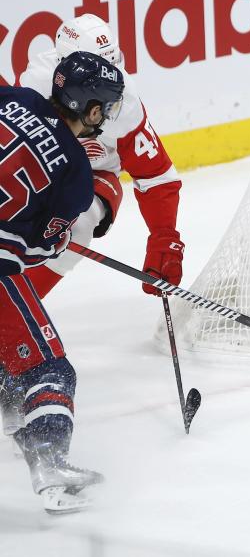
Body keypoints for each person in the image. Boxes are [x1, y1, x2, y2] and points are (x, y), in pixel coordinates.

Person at [0, 50, 125, 513]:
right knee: (50, 369)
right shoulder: (75, 173)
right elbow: (41, 250)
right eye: (105, 108)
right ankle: (50, 463)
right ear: (91, 108)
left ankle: (16, 417)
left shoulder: (10, 97)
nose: (106, 117)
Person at [18, 14, 184, 300]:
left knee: (77, 226)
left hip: (94, 173)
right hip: (45, 169)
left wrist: (163, 235)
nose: (110, 90)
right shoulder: (36, 83)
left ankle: (18, 308)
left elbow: (155, 173)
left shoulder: (124, 100)